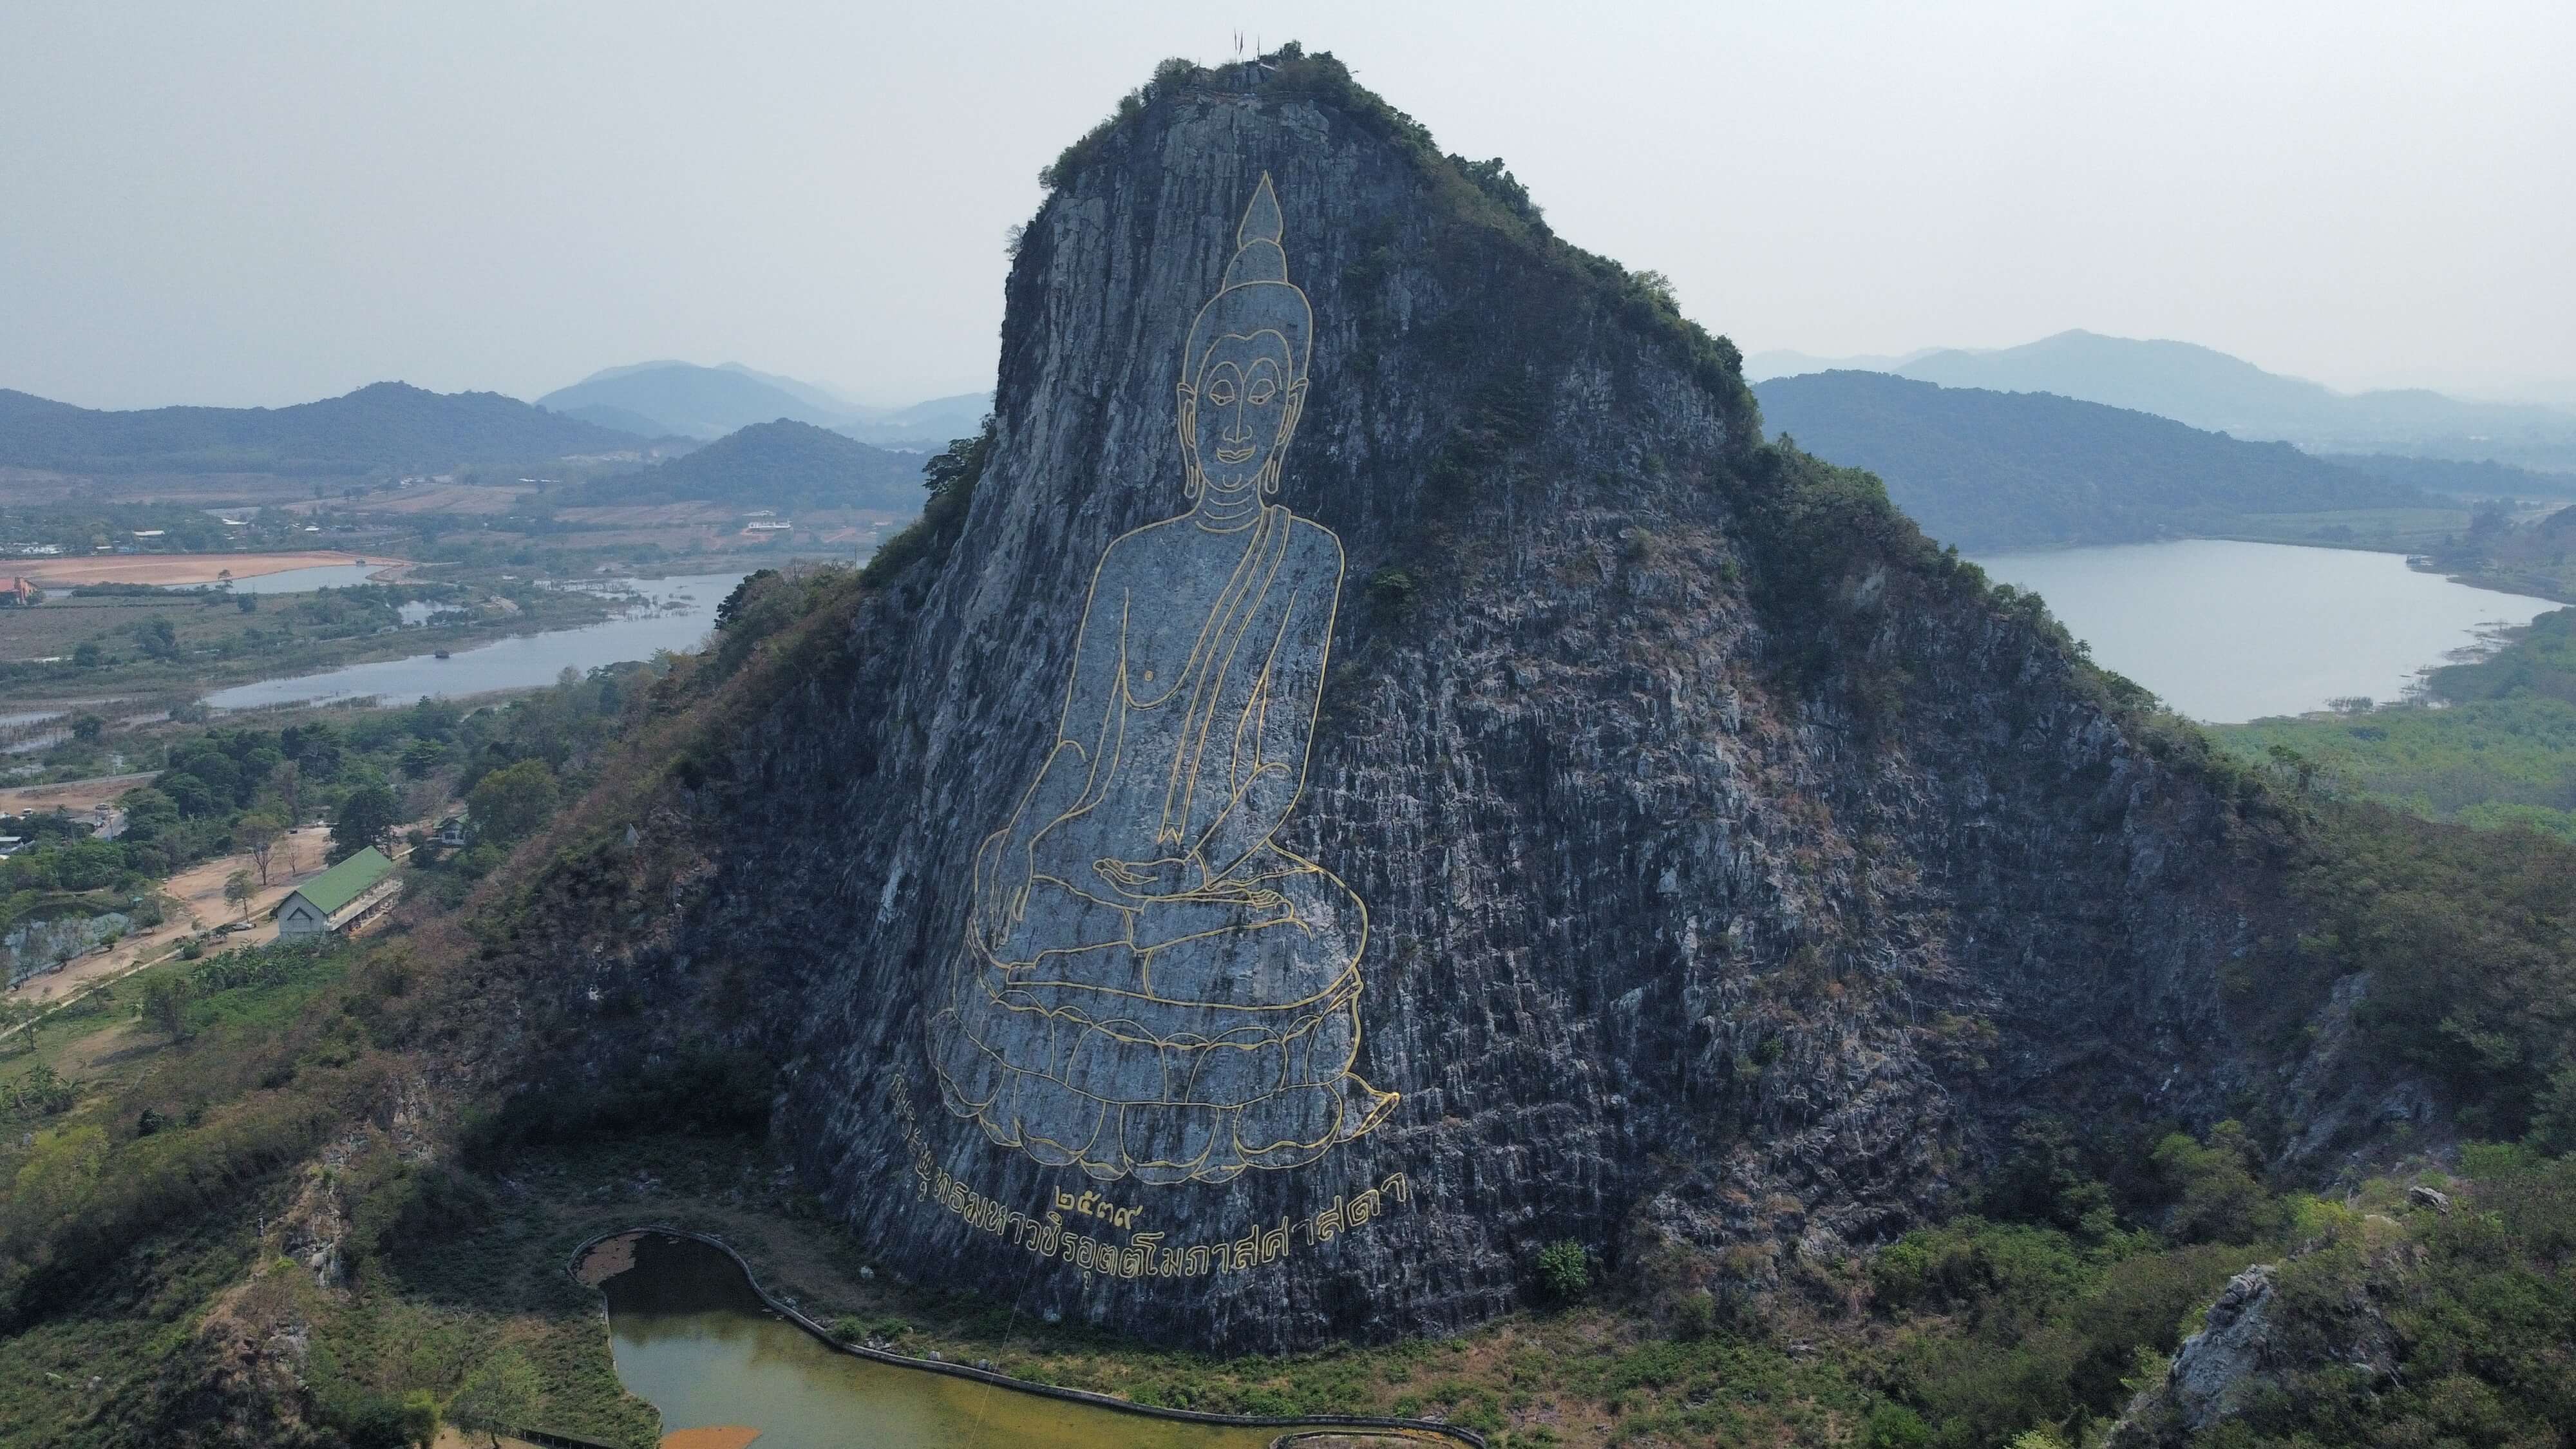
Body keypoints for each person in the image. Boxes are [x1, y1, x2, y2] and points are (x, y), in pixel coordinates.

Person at [930, 175, 1396, 1186]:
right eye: (1220, 392)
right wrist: (1024, 836)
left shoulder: (1307, 558)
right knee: (1035, 909)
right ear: (1189, 404)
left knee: (1310, 938)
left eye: (1263, 396)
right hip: (1099, 861)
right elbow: (1078, 744)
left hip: (1207, 877)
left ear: (1290, 412)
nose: (1238, 420)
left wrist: (1200, 865)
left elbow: (1277, 766)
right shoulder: (1132, 561)